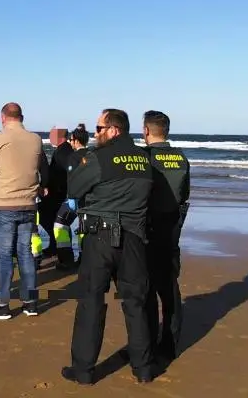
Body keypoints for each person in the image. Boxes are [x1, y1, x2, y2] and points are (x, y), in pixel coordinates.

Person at [61, 109, 155, 386]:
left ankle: (84, 370)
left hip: (100, 238)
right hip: (135, 237)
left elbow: (74, 188)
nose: (95, 133)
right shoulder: (143, 158)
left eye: (99, 128)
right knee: (135, 303)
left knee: (91, 300)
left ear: (114, 130)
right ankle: (143, 368)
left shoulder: (98, 158)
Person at [0, 103, 49, 319]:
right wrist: (42, 187)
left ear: (2, 118)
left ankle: (0, 306)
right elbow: (42, 167)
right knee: (26, 254)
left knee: (4, 256)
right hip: (28, 203)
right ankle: (31, 303)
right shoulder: (35, 139)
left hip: (4, 204)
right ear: (21, 117)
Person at [142, 110, 191, 362]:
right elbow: (185, 197)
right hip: (172, 231)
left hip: (150, 230)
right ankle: (170, 344)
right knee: (170, 289)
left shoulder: (145, 157)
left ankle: (148, 343)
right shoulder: (181, 158)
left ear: (146, 131)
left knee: (148, 291)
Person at [53, 124, 90, 270]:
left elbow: (73, 179)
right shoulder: (92, 155)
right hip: (90, 200)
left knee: (60, 226)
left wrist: (72, 198)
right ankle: (83, 259)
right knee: (84, 229)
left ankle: (66, 259)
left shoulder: (73, 157)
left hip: (74, 200)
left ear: (74, 140)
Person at [40, 127, 74, 256]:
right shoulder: (62, 149)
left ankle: (61, 249)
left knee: (52, 219)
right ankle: (55, 245)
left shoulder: (64, 151)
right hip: (57, 191)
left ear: (59, 136)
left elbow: (70, 170)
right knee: (53, 219)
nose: (49, 137)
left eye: (51, 134)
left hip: (59, 193)